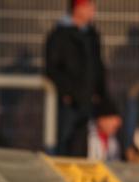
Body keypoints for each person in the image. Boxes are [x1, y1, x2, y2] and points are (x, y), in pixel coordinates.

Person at [44, 0, 107, 154]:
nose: (93, 10)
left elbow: (97, 66)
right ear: (78, 8)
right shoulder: (59, 35)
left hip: (87, 100)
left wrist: (99, 92)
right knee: (64, 142)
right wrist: (67, 92)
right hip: (69, 102)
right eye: (89, 6)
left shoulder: (91, 34)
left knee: (81, 145)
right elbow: (52, 69)